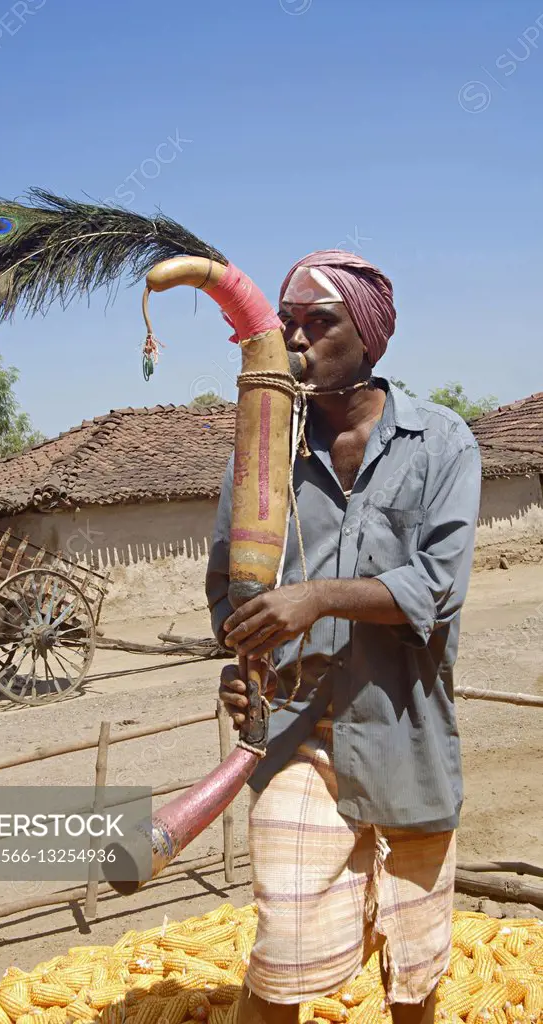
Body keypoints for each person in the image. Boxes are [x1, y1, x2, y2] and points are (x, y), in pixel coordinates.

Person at [205, 250, 482, 1024]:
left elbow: (438, 585)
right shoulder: (257, 463)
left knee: (413, 963)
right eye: (284, 323)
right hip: (299, 737)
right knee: (280, 959)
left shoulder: (440, 443)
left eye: (316, 323)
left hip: (406, 732)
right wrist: (242, 659)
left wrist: (317, 598)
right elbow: (230, 596)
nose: (294, 340)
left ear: (368, 338)